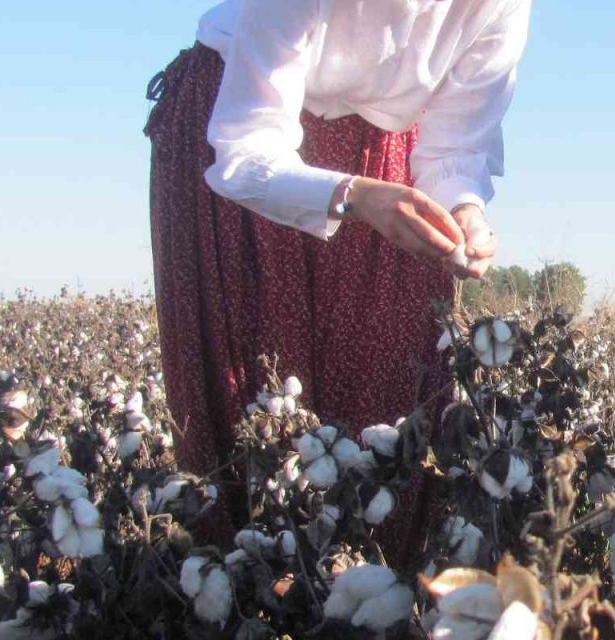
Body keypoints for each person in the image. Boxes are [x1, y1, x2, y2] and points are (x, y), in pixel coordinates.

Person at [144, 0, 531, 559]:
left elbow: (457, 144)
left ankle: (362, 591)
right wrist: (349, 194)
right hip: (245, 122)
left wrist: (464, 209)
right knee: (252, 397)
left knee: (389, 397)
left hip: (386, 155)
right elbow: (246, 150)